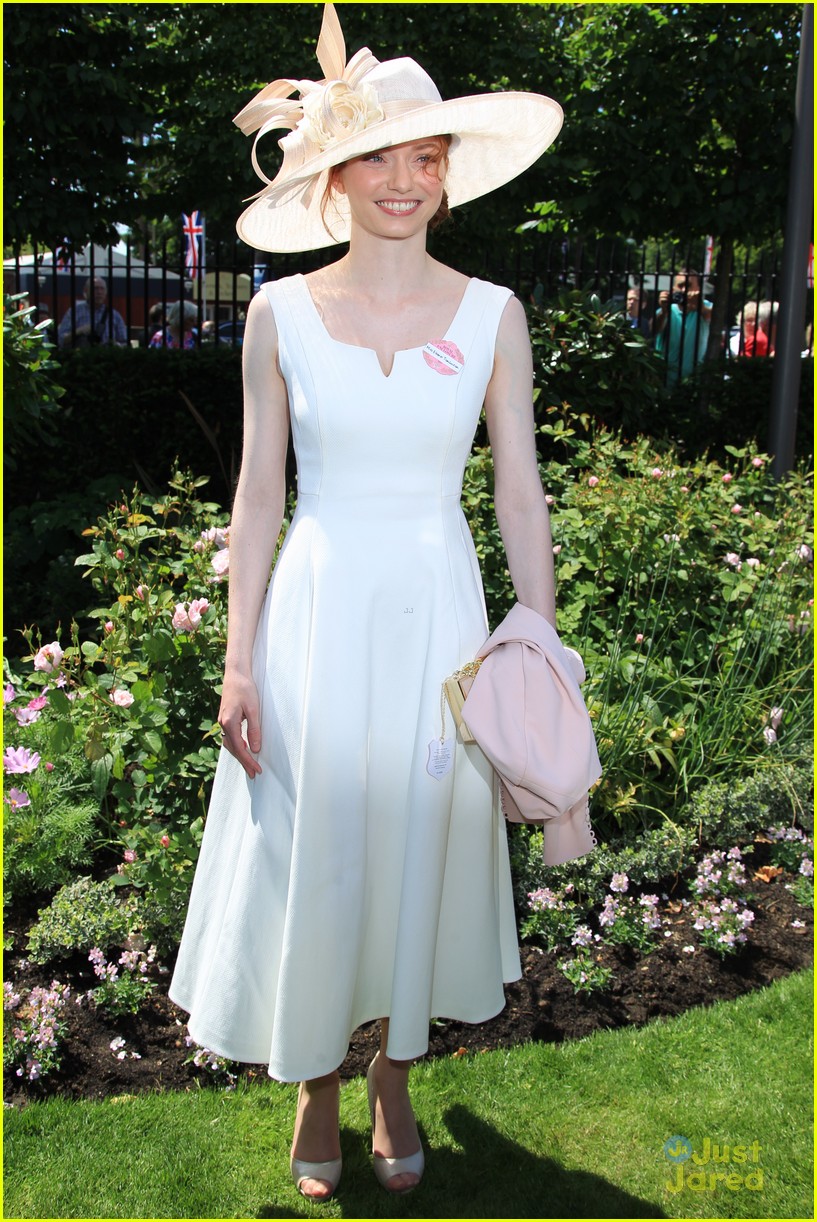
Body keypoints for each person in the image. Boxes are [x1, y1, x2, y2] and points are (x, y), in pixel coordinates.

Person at [169, 2, 569, 1202]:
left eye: (424, 156)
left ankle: (395, 1077)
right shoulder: (277, 314)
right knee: (319, 846)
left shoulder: (495, 313)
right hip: (313, 619)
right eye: (377, 156)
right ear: (333, 176)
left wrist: (536, 636)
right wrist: (238, 664)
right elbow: (253, 500)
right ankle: (317, 1083)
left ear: (448, 176)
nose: (403, 180)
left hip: (439, 619)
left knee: (413, 845)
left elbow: (516, 490)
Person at [654, 269, 712, 387]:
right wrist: (664, 311)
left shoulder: (706, 307)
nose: (684, 290)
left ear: (698, 289)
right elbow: (653, 330)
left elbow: (715, 318)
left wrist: (699, 307)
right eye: (680, 286)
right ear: (673, 289)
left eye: (689, 286)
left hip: (693, 381)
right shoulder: (667, 310)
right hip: (664, 380)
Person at [57, 276, 127, 347]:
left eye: (102, 289)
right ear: (86, 291)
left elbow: (124, 342)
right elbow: (61, 339)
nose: (99, 292)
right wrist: (79, 331)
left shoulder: (114, 315)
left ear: (106, 292)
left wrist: (115, 345)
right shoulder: (74, 312)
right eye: (95, 288)